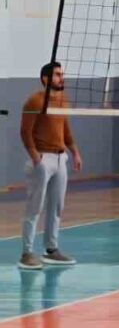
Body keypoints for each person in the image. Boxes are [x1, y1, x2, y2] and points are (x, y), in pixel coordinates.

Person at [18, 62, 82, 271]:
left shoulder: (62, 100)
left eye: (62, 74)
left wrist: (75, 152)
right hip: (42, 159)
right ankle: (27, 253)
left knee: (56, 206)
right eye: (57, 74)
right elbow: (25, 132)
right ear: (45, 78)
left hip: (60, 158)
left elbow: (66, 129)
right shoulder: (34, 101)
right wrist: (35, 157)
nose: (61, 77)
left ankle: (51, 250)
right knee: (34, 207)